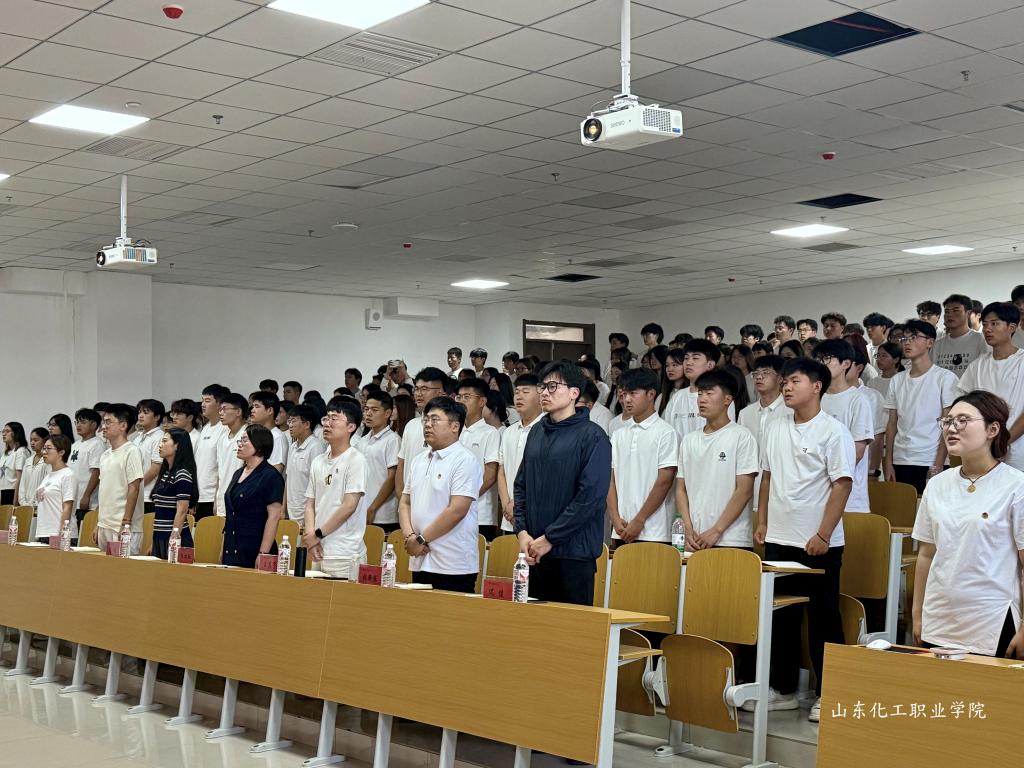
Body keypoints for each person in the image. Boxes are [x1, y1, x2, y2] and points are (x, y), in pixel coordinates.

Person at [755, 358, 855, 722]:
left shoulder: (833, 431)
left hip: (818, 543)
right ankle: (782, 689)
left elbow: (842, 484)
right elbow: (767, 477)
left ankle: (830, 692)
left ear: (816, 386)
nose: (786, 387)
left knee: (823, 619)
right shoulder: (774, 426)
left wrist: (823, 534)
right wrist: (762, 521)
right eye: (784, 381)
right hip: (779, 538)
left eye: (794, 381)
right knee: (782, 616)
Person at [913, 390, 1024, 658]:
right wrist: (917, 613)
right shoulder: (937, 485)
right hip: (939, 617)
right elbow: (926, 554)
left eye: (963, 420)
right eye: (948, 421)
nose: (951, 428)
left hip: (992, 620)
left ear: (992, 429)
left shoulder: (1016, 485)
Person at [515, 361, 611, 605]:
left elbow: (590, 498)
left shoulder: (593, 436)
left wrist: (550, 538)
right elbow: (521, 485)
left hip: (573, 555)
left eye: (553, 386)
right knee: (533, 624)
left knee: (571, 626)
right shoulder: (536, 432)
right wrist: (522, 532)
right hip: (534, 551)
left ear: (574, 393)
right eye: (542, 386)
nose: (545, 393)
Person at [399, 396, 481, 593]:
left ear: (455, 426)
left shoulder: (465, 460)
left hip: (452, 563)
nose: (427, 424)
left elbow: (457, 510)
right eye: (426, 419)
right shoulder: (418, 460)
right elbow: (405, 502)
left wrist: (420, 539)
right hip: (420, 557)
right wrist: (410, 537)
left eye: (434, 420)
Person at [677, 369, 758, 551]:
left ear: (727, 399)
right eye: (700, 393)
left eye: (709, 393)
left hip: (731, 540)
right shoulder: (689, 440)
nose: (702, 399)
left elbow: (744, 491)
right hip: (694, 539)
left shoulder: (742, 436)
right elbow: (681, 489)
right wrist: (687, 529)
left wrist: (716, 530)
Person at [884, 320, 958, 493]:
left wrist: (939, 463)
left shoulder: (945, 378)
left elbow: (948, 424)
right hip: (900, 459)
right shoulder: (897, 380)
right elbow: (892, 424)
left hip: (930, 459)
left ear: (930, 343)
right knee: (902, 508)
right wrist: (888, 462)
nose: (907, 342)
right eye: (904, 338)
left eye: (914, 337)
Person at [607, 368, 678, 548]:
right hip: (621, 528)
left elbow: (664, 481)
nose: (626, 399)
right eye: (624, 394)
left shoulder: (666, 433)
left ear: (651, 394)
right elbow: (610, 480)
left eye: (633, 393)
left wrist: (639, 520)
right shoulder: (618, 434)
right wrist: (614, 518)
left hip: (655, 530)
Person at [302, 399, 367, 578]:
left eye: (334, 418)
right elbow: (310, 504)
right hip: (318, 548)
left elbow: (349, 506)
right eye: (326, 418)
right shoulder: (318, 461)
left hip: (345, 552)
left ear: (351, 427)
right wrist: (312, 538)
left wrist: (317, 534)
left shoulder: (356, 460)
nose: (327, 423)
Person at [957, 301, 1024, 472]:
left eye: (994, 324)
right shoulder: (977, 365)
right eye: (985, 324)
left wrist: (1002, 443)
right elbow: (963, 405)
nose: (987, 329)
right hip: (981, 450)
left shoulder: (1021, 361)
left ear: (1011, 327)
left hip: (1017, 452)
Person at [813, 340, 874, 512]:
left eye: (827, 358)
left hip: (849, 497)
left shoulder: (858, 400)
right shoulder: (814, 397)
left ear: (846, 364)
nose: (821, 363)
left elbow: (857, 452)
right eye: (818, 359)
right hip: (815, 493)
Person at [222, 424, 284, 568]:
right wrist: (223, 549)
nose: (240, 444)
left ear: (259, 445)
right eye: (240, 440)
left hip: (254, 547)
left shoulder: (271, 476)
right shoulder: (238, 473)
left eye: (245, 440)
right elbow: (231, 515)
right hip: (231, 546)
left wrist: (263, 553)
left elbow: (274, 517)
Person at [738, 355, 789, 527]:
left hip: (780, 489)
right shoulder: (745, 413)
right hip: (750, 487)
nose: (759, 377)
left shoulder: (790, 411)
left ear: (780, 378)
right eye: (755, 373)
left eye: (766, 372)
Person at [454, 378, 501, 541]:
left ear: (482, 401)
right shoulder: (454, 431)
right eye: (459, 397)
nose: (461, 401)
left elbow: (490, 476)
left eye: (467, 397)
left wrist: (464, 499)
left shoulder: (490, 433)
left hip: (481, 513)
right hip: (452, 511)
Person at [394, 367, 448, 507]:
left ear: (441, 392)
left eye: (424, 389)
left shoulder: (450, 426)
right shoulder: (411, 425)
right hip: (408, 503)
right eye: (416, 389)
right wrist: (402, 498)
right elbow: (402, 464)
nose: (418, 393)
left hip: (437, 505)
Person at [96, 404, 145, 555]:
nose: (103, 426)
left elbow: (134, 488)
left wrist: (126, 522)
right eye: (103, 422)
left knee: (124, 568)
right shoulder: (105, 455)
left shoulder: (131, 451)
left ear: (123, 425)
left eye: (108, 422)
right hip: (105, 524)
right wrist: (99, 523)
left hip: (123, 526)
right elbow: (104, 490)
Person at [496, 374, 542, 536]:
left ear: (540, 396)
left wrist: (517, 504)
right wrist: (506, 505)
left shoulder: (547, 430)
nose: (519, 396)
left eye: (526, 392)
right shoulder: (509, 432)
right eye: (517, 392)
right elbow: (501, 471)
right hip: (509, 516)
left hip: (535, 516)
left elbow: (541, 475)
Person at [151, 428, 197, 560]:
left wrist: (173, 540)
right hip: (160, 536)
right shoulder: (165, 473)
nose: (160, 445)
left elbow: (182, 511)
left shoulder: (182, 474)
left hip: (175, 538)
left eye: (165, 441)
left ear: (177, 445)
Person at [359, 392, 400, 533]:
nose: (368, 413)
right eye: (366, 409)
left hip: (384, 515)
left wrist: (373, 507)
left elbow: (392, 478)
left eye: (374, 410)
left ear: (387, 413)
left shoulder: (393, 440)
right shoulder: (362, 441)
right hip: (361, 511)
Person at [284, 404, 326, 522]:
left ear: (307, 424)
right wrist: (283, 509)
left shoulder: (316, 447)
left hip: (307, 512)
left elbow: (318, 484)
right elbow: (288, 479)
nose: (290, 425)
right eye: (289, 421)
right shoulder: (293, 446)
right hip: (291, 511)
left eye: (293, 421)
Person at [932, 294, 987, 378]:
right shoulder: (937, 345)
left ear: (968, 313)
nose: (950, 315)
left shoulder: (981, 340)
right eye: (947, 311)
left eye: (956, 310)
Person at [194, 384, 228, 522]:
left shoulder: (225, 429)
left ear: (220, 404)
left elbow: (222, 466)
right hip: (199, 495)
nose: (203, 404)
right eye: (202, 400)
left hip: (212, 496)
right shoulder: (206, 428)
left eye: (207, 401)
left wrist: (216, 498)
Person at [34, 435, 75, 544]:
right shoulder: (48, 475)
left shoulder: (68, 475)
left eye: (48, 448)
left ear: (61, 452)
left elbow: (67, 507)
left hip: (59, 535)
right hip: (44, 532)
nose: (44, 452)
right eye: (44, 448)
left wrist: (62, 534)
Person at [216, 393, 249, 515]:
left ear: (238, 412)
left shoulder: (248, 434)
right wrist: (216, 499)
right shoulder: (222, 437)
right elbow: (219, 471)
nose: (221, 413)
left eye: (225, 409)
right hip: (222, 498)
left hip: (241, 498)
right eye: (220, 409)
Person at [132, 399, 165, 514]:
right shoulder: (137, 438)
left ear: (157, 417)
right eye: (140, 412)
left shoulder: (160, 437)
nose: (141, 415)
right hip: (136, 494)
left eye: (146, 412)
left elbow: (155, 468)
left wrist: (137, 487)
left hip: (149, 496)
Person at [249, 391, 288, 473]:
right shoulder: (255, 435)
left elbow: (277, 469)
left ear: (270, 410)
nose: (252, 410)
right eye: (252, 407)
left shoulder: (277, 437)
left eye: (257, 406)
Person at [20, 428, 50, 510]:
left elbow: (46, 486)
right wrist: (23, 502)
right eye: (31, 440)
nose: (32, 443)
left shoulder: (47, 461)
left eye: (36, 440)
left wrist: (36, 504)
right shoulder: (28, 461)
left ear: (45, 441)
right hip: (25, 506)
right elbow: (22, 484)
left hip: (40, 506)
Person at [0, 422, 30, 505]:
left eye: (7, 431)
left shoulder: (21, 451)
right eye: (3, 431)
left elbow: (19, 477)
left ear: (16, 433)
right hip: (3, 491)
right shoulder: (6, 453)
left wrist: (16, 499)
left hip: (13, 492)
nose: (4, 434)